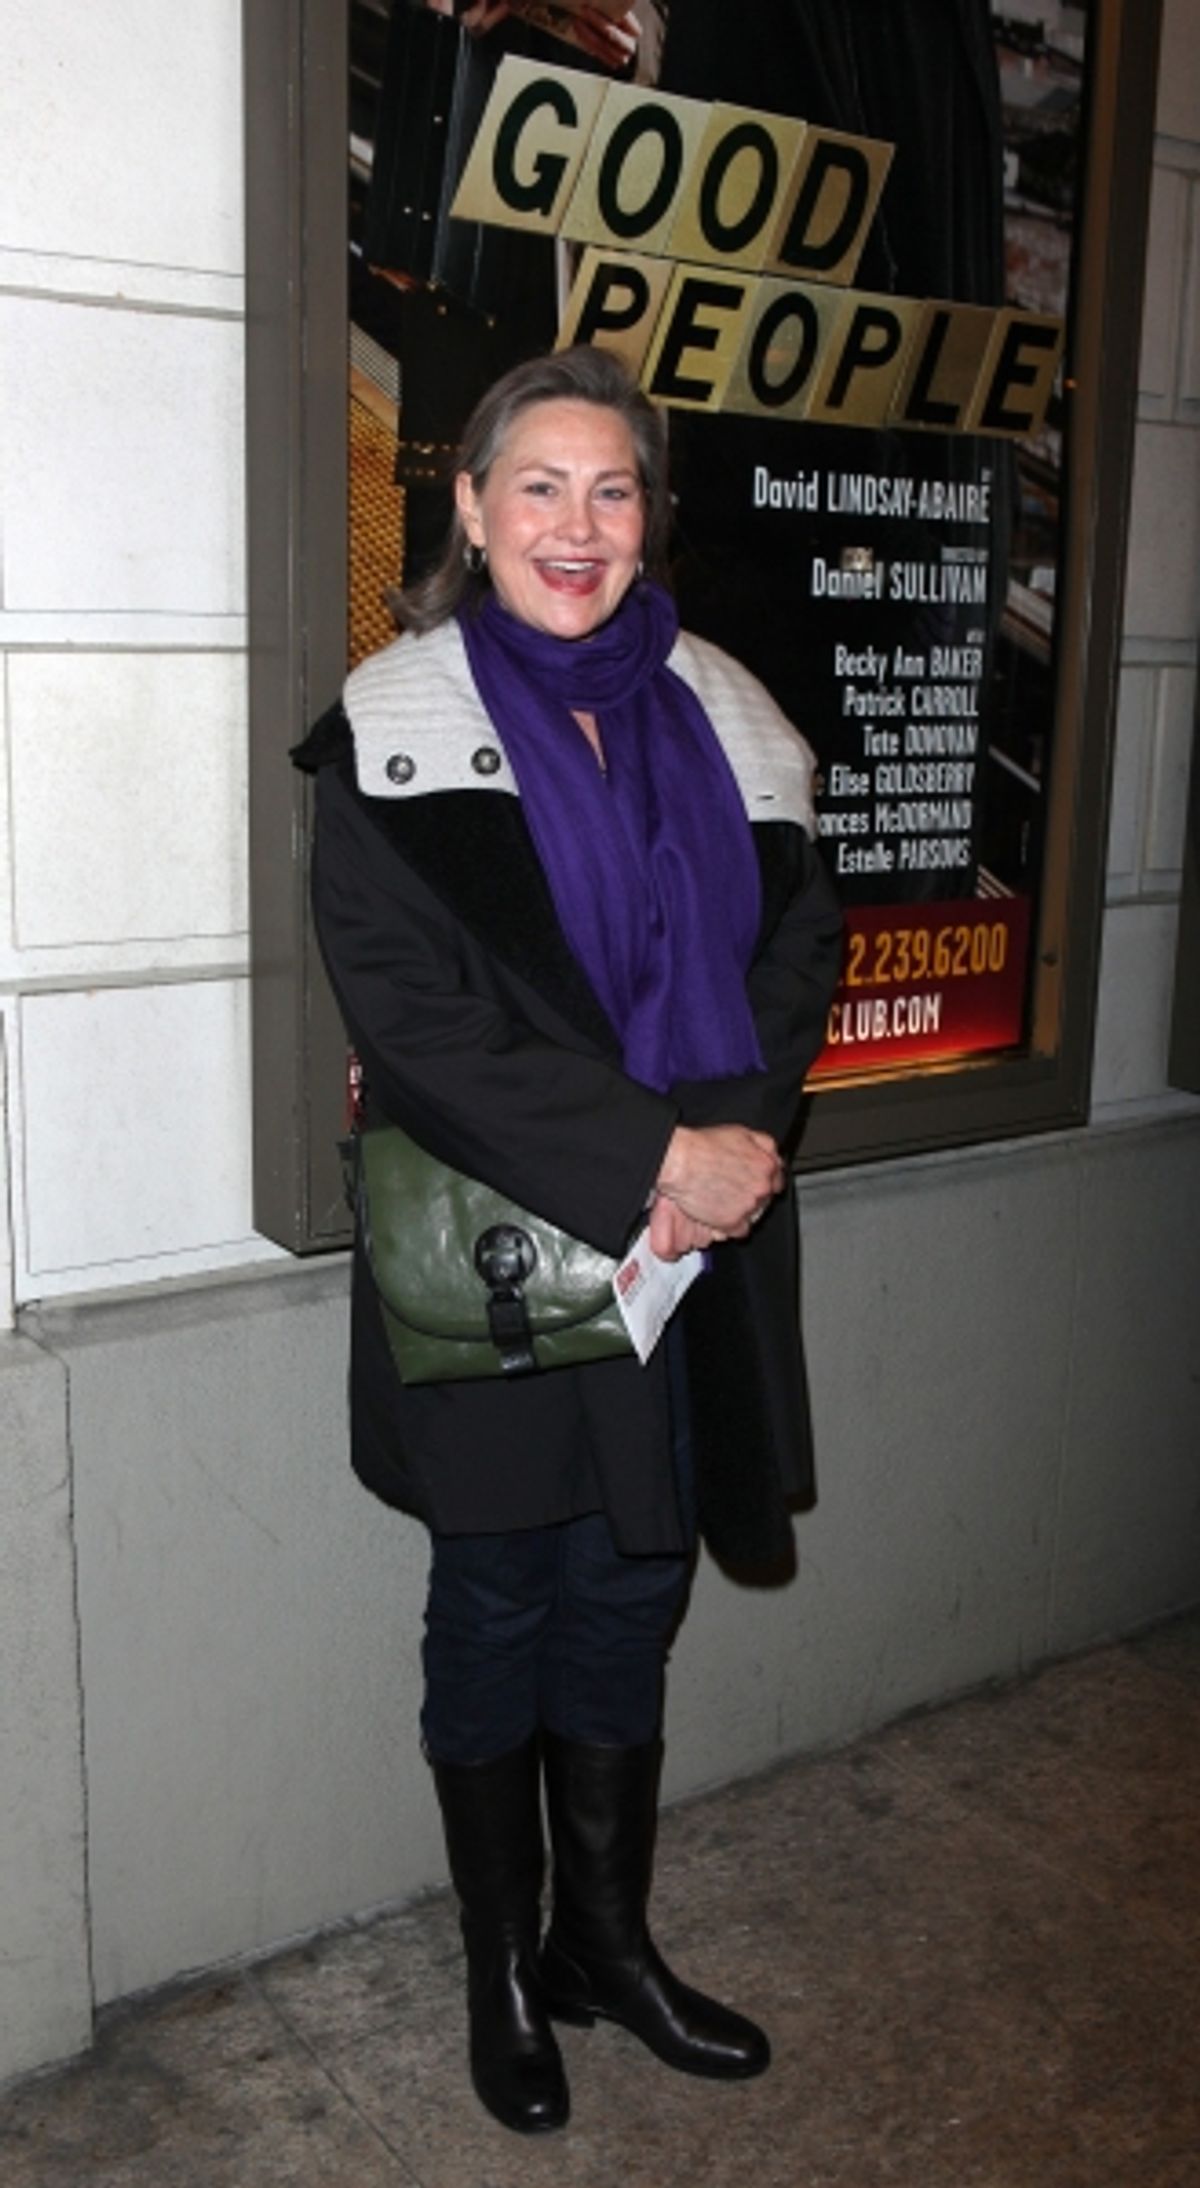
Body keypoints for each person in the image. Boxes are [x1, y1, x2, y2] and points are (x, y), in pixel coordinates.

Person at [293, 345, 843, 2135]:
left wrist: (731, 1143)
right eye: (540, 486)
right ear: (469, 505)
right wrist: (653, 1155)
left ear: (648, 514)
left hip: (689, 1263)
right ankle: (502, 1967)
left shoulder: (735, 713)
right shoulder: (393, 721)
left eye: (613, 491)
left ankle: (608, 1945)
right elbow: (420, 1014)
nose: (578, 527)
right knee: (498, 1603)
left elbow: (795, 950)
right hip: (507, 1266)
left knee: (632, 1590)